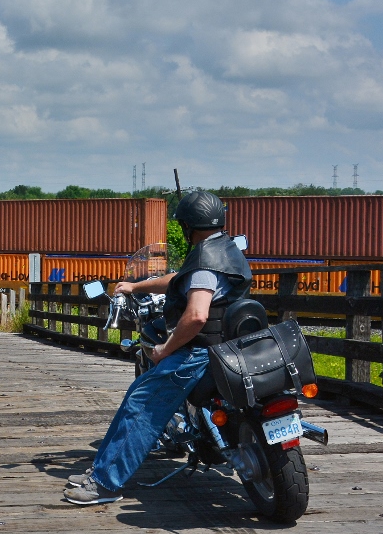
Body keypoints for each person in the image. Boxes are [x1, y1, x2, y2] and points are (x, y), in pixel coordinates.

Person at [64, 190, 252, 504]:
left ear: (189, 226)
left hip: (197, 352)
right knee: (139, 397)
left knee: (141, 404)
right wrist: (135, 285)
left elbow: (196, 316)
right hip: (231, 347)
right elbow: (179, 280)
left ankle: (106, 484)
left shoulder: (206, 261)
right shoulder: (225, 249)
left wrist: (165, 348)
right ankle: (101, 469)